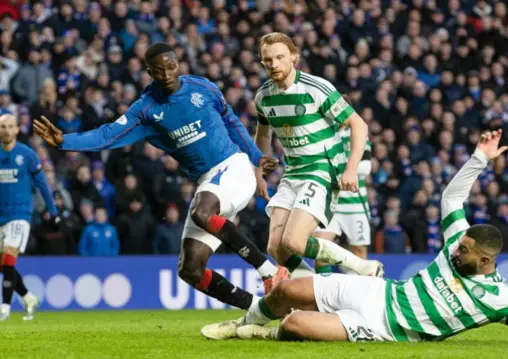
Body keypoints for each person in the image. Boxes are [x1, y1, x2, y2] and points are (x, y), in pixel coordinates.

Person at [201, 130, 508, 347]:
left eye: (465, 252)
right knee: (287, 291)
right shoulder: (457, 243)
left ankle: (262, 332)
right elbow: (452, 196)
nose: (456, 250)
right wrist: (479, 159)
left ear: (486, 261)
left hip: (384, 329)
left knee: (295, 326)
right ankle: (242, 323)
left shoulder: (499, 299)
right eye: (460, 244)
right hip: (380, 293)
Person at [33, 42, 287, 312]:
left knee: (202, 211)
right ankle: (259, 310)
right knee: (190, 270)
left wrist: (256, 156)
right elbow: (107, 135)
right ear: (149, 72)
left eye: (171, 66)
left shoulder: (203, 87)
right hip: (208, 183)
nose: (166, 74)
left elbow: (232, 121)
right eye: (158, 70)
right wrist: (64, 141)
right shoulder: (145, 111)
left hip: (233, 168)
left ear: (178, 64)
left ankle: (270, 271)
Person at [252, 32, 382, 279]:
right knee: (276, 248)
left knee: (294, 241)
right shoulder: (263, 96)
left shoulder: (316, 88)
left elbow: (359, 125)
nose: (274, 64)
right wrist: (259, 167)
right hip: (292, 173)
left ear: (294, 57)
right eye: (268, 60)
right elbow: (262, 134)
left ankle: (362, 266)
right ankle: (313, 291)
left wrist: (351, 169)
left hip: (322, 171)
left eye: (280, 57)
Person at [0, 114, 58, 320]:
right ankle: (28, 297)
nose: (6, 130)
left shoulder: (27, 154)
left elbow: (42, 183)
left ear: (17, 129)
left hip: (20, 213)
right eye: (2, 127)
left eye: (10, 127)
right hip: (1, 216)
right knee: (4, 265)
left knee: (8, 258)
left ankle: (4, 308)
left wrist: (53, 210)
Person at [313, 131, 373, 274]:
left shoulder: (358, 134)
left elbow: (365, 168)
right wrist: (349, 164)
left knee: (359, 251)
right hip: (329, 202)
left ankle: (356, 293)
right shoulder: (322, 132)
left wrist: (333, 165)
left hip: (355, 205)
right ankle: (323, 292)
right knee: (321, 249)